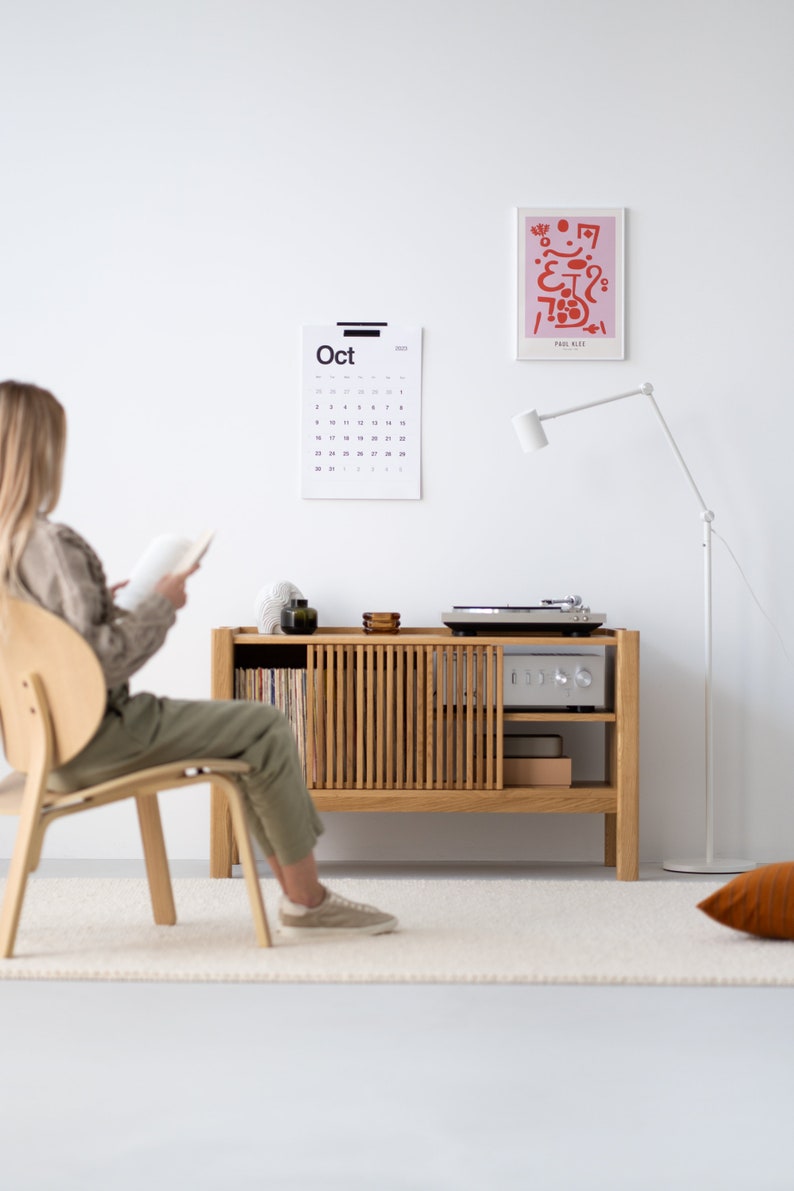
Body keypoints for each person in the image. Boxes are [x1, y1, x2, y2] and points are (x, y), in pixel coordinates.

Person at [0, 380, 397, 938]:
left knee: (252, 737)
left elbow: (56, 648)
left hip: (44, 747)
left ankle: (302, 896)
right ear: (38, 451)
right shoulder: (49, 543)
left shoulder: (8, 545)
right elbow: (99, 664)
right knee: (265, 724)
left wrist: (109, 604)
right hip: (98, 736)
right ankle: (308, 901)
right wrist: (162, 605)